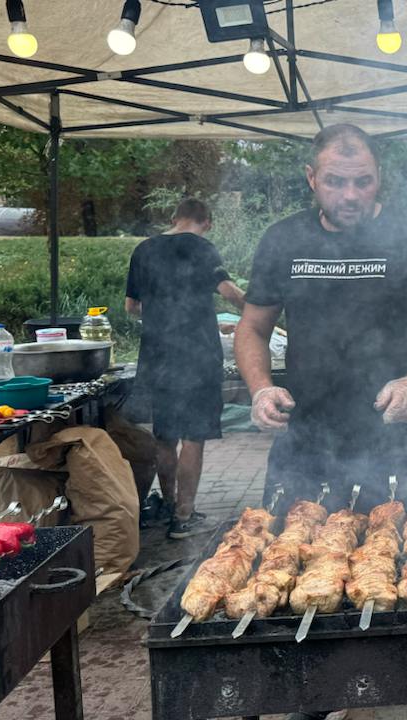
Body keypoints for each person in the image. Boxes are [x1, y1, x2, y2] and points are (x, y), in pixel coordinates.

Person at [234, 124, 407, 720]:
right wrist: (262, 389)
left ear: (378, 180)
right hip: (307, 438)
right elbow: (252, 328)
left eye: (361, 180)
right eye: (335, 181)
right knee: (290, 565)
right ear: (313, 180)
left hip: (395, 434)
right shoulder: (283, 239)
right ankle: (312, 697)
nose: (349, 194)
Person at [126, 198, 246, 539]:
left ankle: (167, 504)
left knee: (165, 436)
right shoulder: (203, 248)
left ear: (175, 218)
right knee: (194, 436)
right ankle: (184, 515)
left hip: (157, 354)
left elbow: (132, 306)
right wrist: (259, 309)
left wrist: (163, 310)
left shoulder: (144, 250)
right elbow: (229, 292)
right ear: (205, 221)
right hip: (196, 357)